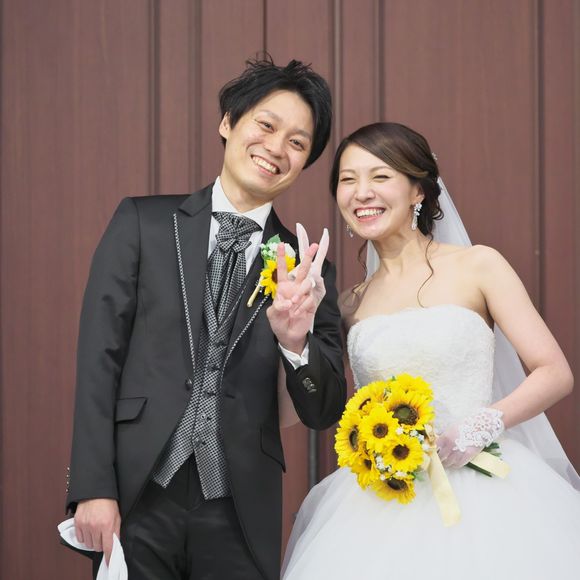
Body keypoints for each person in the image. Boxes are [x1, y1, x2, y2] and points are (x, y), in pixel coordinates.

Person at [65, 57, 347, 580]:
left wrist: (295, 343)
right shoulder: (144, 223)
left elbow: (323, 409)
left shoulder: (308, 268)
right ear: (228, 122)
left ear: (305, 162)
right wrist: (92, 486)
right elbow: (99, 359)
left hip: (240, 509)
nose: (276, 148)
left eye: (297, 143)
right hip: (138, 492)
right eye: (266, 125)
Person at [282, 122, 580, 579]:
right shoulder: (348, 302)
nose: (362, 192)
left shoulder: (479, 265)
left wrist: (478, 428)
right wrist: (296, 335)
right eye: (348, 179)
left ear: (418, 190)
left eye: (380, 176)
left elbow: (554, 372)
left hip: (484, 486)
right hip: (381, 500)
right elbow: (328, 405)